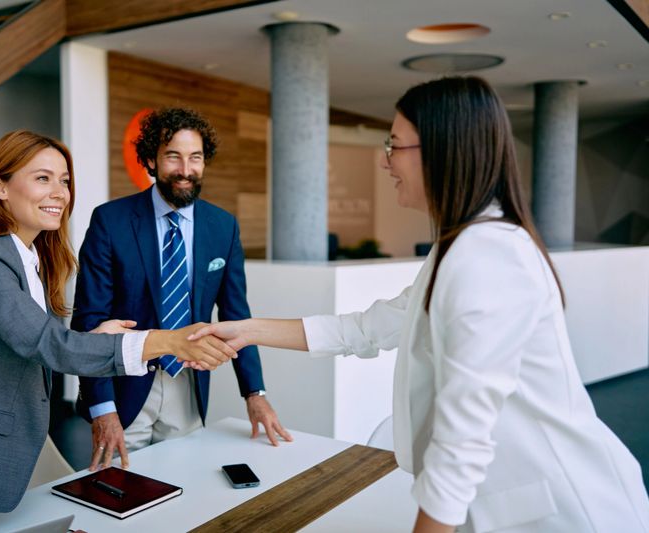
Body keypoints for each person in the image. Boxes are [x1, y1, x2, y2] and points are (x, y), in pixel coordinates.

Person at [190, 77, 649, 532]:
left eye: (394, 145)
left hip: (564, 512)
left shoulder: (488, 254)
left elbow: (464, 436)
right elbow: (365, 329)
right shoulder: (458, 247)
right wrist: (247, 330)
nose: (385, 161)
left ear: (442, 150)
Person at [0, 130, 235, 532]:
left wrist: (98, 338)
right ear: (0, 186)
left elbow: (37, 341)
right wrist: (164, 341)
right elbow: (46, 343)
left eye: (65, 181)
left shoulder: (31, 259)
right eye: (42, 178)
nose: (59, 193)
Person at [72, 107, 291, 471]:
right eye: (173, 156)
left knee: (183, 486)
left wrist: (255, 392)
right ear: (151, 161)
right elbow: (89, 321)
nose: (186, 170)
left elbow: (237, 315)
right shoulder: (110, 221)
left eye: (195, 158)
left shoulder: (223, 227)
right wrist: (102, 409)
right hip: (125, 389)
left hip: (188, 385)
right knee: (118, 497)